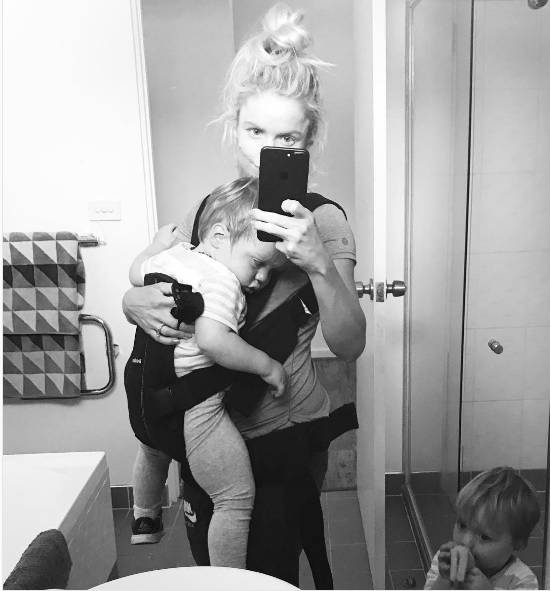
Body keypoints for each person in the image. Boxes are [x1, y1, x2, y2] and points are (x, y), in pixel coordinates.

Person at [122, 3, 366, 587]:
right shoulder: (211, 209)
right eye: (254, 132)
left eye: (286, 137)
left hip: (283, 438)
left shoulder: (324, 222)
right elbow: (165, 280)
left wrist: (318, 263)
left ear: (310, 140)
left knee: (272, 575)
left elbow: (350, 344)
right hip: (204, 428)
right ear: (234, 127)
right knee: (215, 570)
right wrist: (132, 303)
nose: (265, 151)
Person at [126, 177, 286, 569]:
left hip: (143, 385)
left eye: (271, 270)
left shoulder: (173, 256)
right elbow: (214, 342)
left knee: (151, 448)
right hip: (193, 402)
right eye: (258, 263)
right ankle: (228, 580)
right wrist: (267, 365)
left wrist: (156, 244)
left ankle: (145, 516)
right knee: (234, 496)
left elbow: (135, 272)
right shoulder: (221, 280)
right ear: (217, 237)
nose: (263, 278)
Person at [424, 467, 540, 590]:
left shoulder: (523, 580)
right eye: (462, 525)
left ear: (518, 544)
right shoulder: (446, 561)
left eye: (484, 537)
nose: (466, 542)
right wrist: (444, 580)